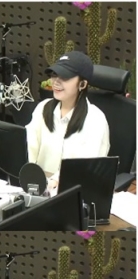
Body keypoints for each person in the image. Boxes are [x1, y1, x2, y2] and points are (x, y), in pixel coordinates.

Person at [26, 51, 110, 191]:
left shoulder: (95, 120)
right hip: (38, 187)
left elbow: (84, 166)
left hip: (73, 190)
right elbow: (28, 149)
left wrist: (54, 181)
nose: (56, 82)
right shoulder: (43, 108)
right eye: (54, 75)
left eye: (65, 77)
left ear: (82, 84)